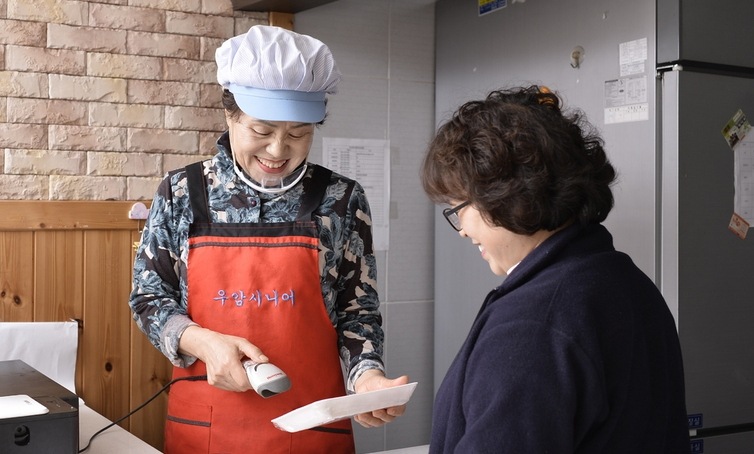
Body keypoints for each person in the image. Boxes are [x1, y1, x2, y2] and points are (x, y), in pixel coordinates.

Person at [129, 25, 408, 454]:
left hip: (312, 425)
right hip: (206, 429)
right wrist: (204, 343)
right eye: (262, 130)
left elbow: (358, 310)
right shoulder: (182, 192)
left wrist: (366, 376)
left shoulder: (341, 198)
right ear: (231, 114)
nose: (279, 149)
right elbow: (149, 298)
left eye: (299, 133)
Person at [422, 86, 690, 453]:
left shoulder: (531, 326)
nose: (463, 229)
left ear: (506, 194)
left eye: (459, 208)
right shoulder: (626, 282)